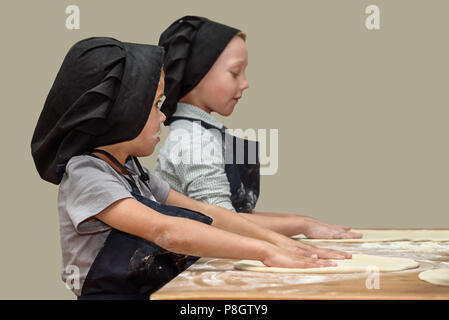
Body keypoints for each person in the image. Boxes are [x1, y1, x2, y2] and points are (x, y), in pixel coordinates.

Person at [31, 37, 350, 300]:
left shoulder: (133, 171)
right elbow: (167, 231)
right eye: (156, 105)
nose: (164, 118)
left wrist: (285, 240)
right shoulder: (87, 174)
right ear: (122, 112)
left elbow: (210, 213)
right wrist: (263, 252)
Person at [155, 16, 362, 239]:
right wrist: (300, 225)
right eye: (235, 73)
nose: (245, 83)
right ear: (197, 73)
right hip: (192, 266)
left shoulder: (205, 133)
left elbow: (236, 215)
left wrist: (304, 221)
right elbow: (221, 221)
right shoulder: (192, 140)